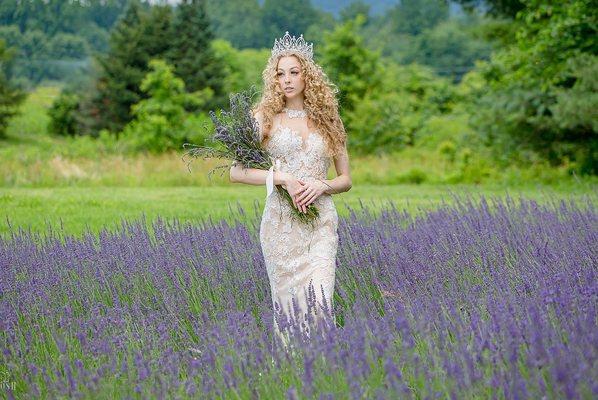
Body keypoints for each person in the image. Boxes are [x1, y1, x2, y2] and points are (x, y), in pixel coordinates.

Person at [229, 32, 352, 349]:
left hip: (321, 223)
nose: (286, 80)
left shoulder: (328, 119)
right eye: (279, 73)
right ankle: (291, 377)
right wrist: (281, 178)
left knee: (321, 303)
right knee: (288, 313)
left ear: (307, 75)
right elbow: (236, 171)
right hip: (281, 225)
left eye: (293, 72)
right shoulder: (262, 119)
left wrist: (321, 184)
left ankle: (323, 374)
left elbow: (346, 179)